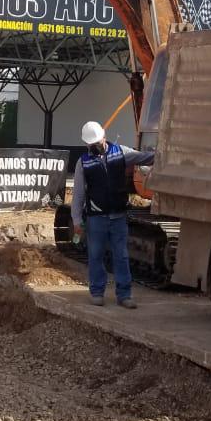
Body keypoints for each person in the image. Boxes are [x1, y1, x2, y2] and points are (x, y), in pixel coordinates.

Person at [71, 121, 155, 308]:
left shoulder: (121, 152)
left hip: (118, 216)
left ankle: (124, 295)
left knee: (122, 256)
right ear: (87, 144)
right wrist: (77, 220)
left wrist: (161, 155)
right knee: (95, 256)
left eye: (97, 142)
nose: (95, 146)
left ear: (104, 136)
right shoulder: (83, 163)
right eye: (91, 144)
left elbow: (143, 158)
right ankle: (97, 292)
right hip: (96, 218)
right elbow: (78, 195)